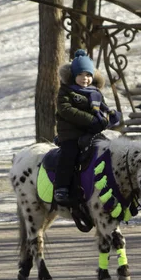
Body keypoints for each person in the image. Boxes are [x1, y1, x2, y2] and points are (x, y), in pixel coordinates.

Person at [54, 49, 119, 206]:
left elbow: (102, 109)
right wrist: (91, 120)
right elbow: (67, 110)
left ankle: (107, 184)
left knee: (107, 150)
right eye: (81, 75)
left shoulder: (95, 93)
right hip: (71, 134)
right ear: (73, 76)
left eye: (88, 75)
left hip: (91, 133)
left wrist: (110, 117)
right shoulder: (66, 92)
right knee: (69, 154)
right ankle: (61, 188)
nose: (85, 79)